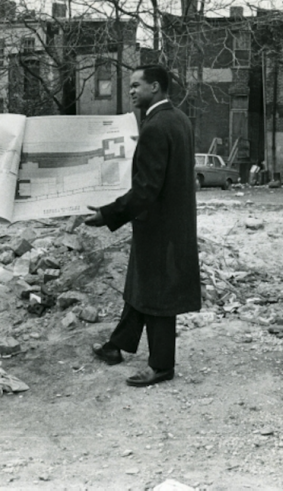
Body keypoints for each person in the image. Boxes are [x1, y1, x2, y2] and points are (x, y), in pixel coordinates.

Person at [85, 64, 201, 387]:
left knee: (157, 293)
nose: (132, 91)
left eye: (137, 85)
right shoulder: (179, 120)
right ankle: (117, 346)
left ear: (156, 87)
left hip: (158, 226)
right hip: (173, 222)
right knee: (141, 285)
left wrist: (108, 214)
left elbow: (147, 189)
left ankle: (161, 365)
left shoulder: (154, 127)